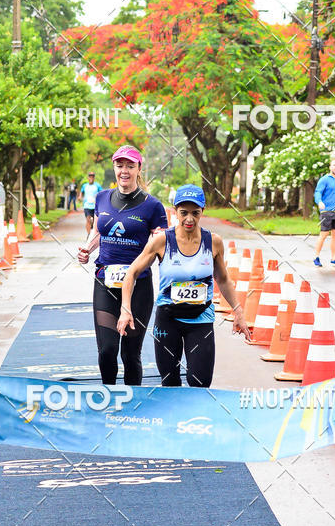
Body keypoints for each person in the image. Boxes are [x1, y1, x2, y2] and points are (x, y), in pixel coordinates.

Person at [117, 184, 250, 387]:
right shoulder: (162, 241)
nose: (189, 219)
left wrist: (238, 311)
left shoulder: (213, 242)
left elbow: (222, 279)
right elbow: (132, 273)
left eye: (195, 213)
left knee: (200, 382)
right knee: (170, 383)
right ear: (175, 211)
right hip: (167, 320)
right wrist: (126, 308)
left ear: (202, 211)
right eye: (184, 213)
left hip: (201, 320)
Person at [78, 147, 166, 385]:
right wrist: (88, 248)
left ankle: (132, 406)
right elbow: (99, 232)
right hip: (105, 283)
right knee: (106, 350)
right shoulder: (102, 198)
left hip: (139, 286)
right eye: (120, 165)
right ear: (114, 168)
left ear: (139, 169)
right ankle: (108, 398)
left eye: (130, 166)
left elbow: (161, 246)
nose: (124, 171)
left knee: (130, 354)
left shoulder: (152, 206)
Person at [312, 159, 335, 267]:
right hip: (326, 212)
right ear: (330, 167)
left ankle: (333, 258)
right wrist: (319, 202)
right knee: (324, 234)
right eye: (334, 165)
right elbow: (318, 192)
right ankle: (316, 257)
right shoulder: (324, 179)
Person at [80, 172, 102, 237]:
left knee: (94, 222)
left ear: (94, 178)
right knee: (88, 219)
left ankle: (92, 228)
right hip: (87, 205)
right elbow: (81, 192)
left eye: (92, 176)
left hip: (95, 206)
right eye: (90, 176)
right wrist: (80, 196)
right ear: (88, 177)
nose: (91, 178)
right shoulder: (85, 185)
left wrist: (97, 196)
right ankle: (89, 235)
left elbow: (101, 193)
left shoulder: (97, 185)